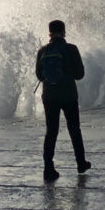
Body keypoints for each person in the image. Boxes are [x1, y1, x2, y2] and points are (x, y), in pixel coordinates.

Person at [35, 19, 91, 182]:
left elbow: (39, 75)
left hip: (49, 96)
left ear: (49, 33)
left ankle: (48, 168)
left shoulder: (43, 50)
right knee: (74, 129)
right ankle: (81, 163)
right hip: (68, 95)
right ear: (64, 31)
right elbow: (80, 75)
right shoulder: (71, 49)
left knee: (51, 131)